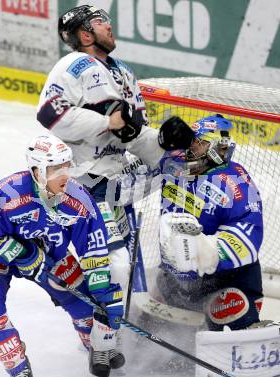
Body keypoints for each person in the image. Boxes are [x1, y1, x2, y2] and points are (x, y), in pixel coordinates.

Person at [36, 5, 194, 296]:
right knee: (111, 262)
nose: (109, 27)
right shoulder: (73, 65)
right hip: (84, 181)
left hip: (116, 181)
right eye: (99, 22)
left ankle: (132, 320)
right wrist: (106, 121)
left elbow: (131, 135)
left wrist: (161, 142)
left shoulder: (123, 73)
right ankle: (103, 329)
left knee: (129, 262)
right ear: (85, 35)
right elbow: (49, 115)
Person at [0, 134, 125, 377]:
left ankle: (95, 347)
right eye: (56, 168)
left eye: (66, 166)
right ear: (37, 171)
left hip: (49, 257)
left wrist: (102, 290)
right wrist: (24, 255)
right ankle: (18, 368)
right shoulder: (7, 192)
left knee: (86, 310)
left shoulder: (79, 200)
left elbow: (93, 248)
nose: (65, 175)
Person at [156, 114, 264, 331]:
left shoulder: (234, 181)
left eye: (200, 142)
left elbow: (249, 232)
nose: (191, 148)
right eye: (192, 141)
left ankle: (245, 333)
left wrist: (205, 251)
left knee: (232, 314)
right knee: (155, 349)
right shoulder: (174, 167)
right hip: (175, 279)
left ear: (219, 147)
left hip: (225, 280)